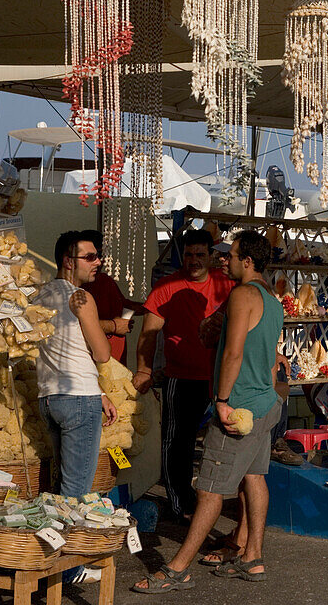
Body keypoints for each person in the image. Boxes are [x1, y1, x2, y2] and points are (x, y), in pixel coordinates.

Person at [134, 230, 284, 593]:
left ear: (247, 261)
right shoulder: (272, 298)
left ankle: (178, 568)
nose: (223, 260)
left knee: (210, 490)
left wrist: (221, 399)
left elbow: (232, 353)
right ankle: (253, 557)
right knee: (254, 478)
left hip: (241, 406)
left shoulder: (242, 295)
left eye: (230, 255)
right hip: (266, 403)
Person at [133, 228, 235, 521]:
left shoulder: (226, 284)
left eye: (200, 255)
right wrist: (144, 370)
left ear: (211, 256)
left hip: (219, 378)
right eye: (188, 255)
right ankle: (180, 504)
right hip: (181, 378)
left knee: (222, 442)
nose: (194, 260)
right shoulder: (166, 287)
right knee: (178, 443)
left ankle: (212, 502)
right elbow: (148, 335)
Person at [34, 233, 119, 584]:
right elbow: (101, 354)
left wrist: (98, 392)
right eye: (90, 256)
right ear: (69, 261)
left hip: (49, 398)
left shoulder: (39, 294)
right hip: (78, 401)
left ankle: (49, 557)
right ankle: (68, 569)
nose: (98, 261)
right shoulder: (81, 298)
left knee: (58, 486)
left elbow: (66, 351)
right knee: (75, 492)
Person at [78, 229, 141, 363]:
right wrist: (113, 326)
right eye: (92, 257)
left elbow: (126, 306)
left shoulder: (105, 281)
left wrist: (155, 305)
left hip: (117, 362)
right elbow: (73, 326)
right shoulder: (73, 290)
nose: (99, 261)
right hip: (92, 364)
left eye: (101, 255)